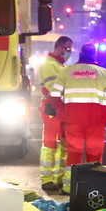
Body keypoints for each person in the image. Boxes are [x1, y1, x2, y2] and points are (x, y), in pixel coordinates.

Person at [48, 43, 106, 194]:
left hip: (72, 120)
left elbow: (54, 95)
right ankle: (91, 188)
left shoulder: (67, 72)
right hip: (96, 120)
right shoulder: (103, 73)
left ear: (80, 54)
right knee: (94, 155)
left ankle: (70, 187)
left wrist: (61, 109)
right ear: (94, 55)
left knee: (73, 153)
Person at [37, 36, 73, 193]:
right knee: (50, 144)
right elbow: (54, 89)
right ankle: (47, 179)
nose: (69, 52)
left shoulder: (60, 65)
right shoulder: (49, 65)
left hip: (61, 110)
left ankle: (58, 178)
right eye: (68, 49)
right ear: (60, 48)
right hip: (51, 109)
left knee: (62, 145)